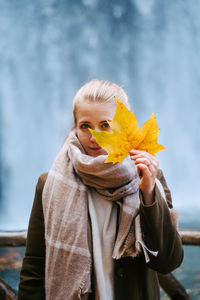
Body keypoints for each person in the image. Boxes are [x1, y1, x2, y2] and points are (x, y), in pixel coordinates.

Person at [18, 80, 183, 300]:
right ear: (74, 128)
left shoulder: (149, 178)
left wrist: (149, 194)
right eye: (85, 126)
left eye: (105, 125)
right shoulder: (49, 184)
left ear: (123, 128)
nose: (95, 136)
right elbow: (35, 266)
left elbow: (167, 261)